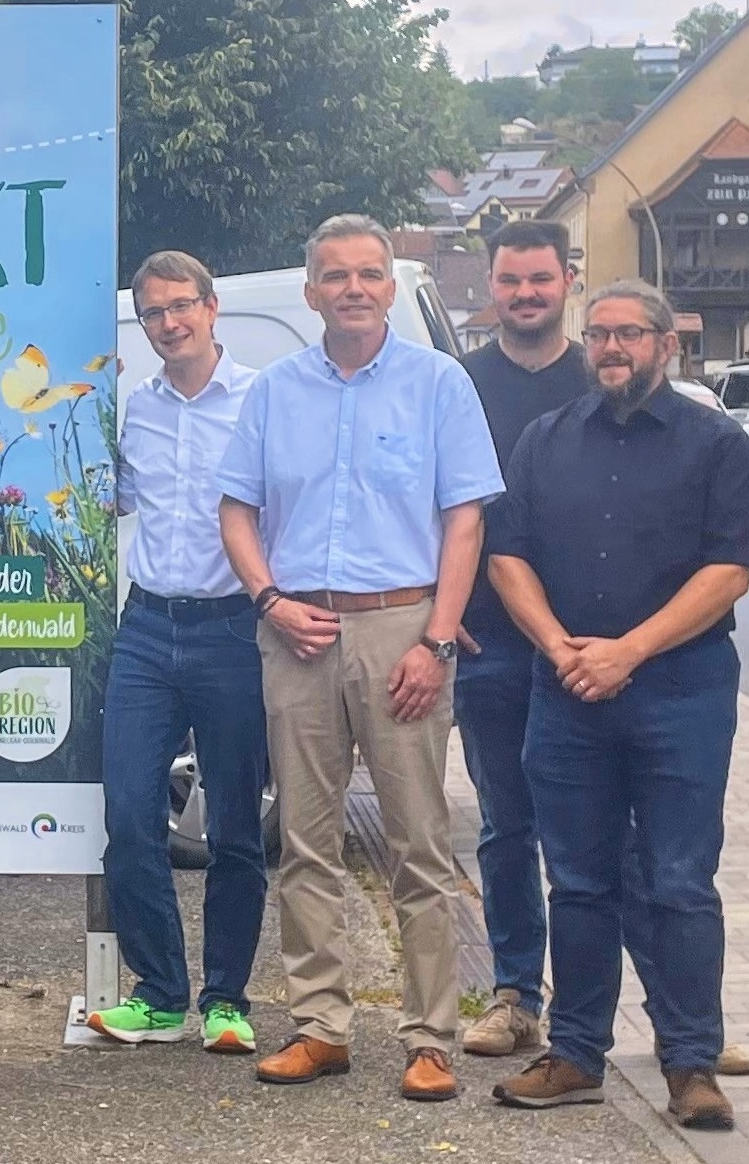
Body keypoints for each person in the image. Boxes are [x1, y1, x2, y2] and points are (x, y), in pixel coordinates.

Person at [218, 215, 499, 1099]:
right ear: (310, 293)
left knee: (418, 844)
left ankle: (430, 1037)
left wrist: (437, 638)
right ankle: (319, 1027)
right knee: (307, 842)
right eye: (335, 276)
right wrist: (268, 599)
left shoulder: (437, 384)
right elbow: (235, 510)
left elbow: (465, 519)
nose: (352, 289)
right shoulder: (273, 391)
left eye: (368, 274)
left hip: (400, 628)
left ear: (387, 285)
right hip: (297, 629)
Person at [488, 281, 749, 1132]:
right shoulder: (543, 440)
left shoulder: (716, 444)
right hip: (566, 691)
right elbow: (506, 556)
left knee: (679, 881)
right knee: (577, 881)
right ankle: (575, 1053)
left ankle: (690, 1063)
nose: (611, 347)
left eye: (630, 334)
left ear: (665, 345)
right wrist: (558, 647)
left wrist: (628, 650)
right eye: (599, 333)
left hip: (679, 691)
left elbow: (730, 570)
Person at [83, 250, 267, 1052]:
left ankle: (226, 1000)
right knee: (128, 815)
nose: (169, 322)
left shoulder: (261, 400)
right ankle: (159, 994)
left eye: (180, 305)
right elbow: (108, 498)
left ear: (210, 306)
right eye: (153, 312)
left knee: (235, 828)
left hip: (235, 629)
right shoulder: (132, 408)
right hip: (148, 628)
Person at [456, 220, 584, 1060]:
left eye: (539, 279)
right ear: (490, 287)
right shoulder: (457, 384)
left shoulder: (601, 374)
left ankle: (604, 1003)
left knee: (598, 833)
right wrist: (439, 613)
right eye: (510, 280)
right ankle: (513, 995)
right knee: (506, 827)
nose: (525, 294)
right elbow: (425, 501)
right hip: (485, 643)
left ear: (566, 280)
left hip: (589, 644)